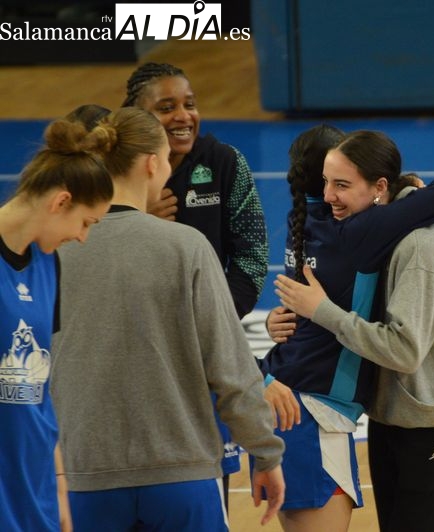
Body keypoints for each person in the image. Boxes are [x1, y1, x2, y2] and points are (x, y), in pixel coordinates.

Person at [49, 107, 285, 530]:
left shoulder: (56, 250)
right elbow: (230, 366)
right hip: (182, 474)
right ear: (152, 163)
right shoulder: (186, 246)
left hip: (86, 476)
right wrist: (265, 452)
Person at [262, 127, 434, 532]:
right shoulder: (359, 231)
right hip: (311, 412)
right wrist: (405, 188)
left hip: (297, 402)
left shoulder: (303, 220)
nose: (334, 192)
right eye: (333, 181)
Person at [122, 61, 270, 502]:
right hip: (131, 344)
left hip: (201, 350)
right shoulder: (114, 172)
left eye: (189, 104)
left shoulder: (224, 162)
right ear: (138, 115)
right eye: (166, 107)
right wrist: (136, 217)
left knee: (203, 477)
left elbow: (252, 257)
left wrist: (212, 322)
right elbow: (86, 249)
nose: (183, 116)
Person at [0, 117, 114, 532]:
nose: (83, 237)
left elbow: (42, 385)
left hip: (36, 489)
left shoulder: (48, 265)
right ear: (61, 201)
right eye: (86, 223)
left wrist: (59, 483)